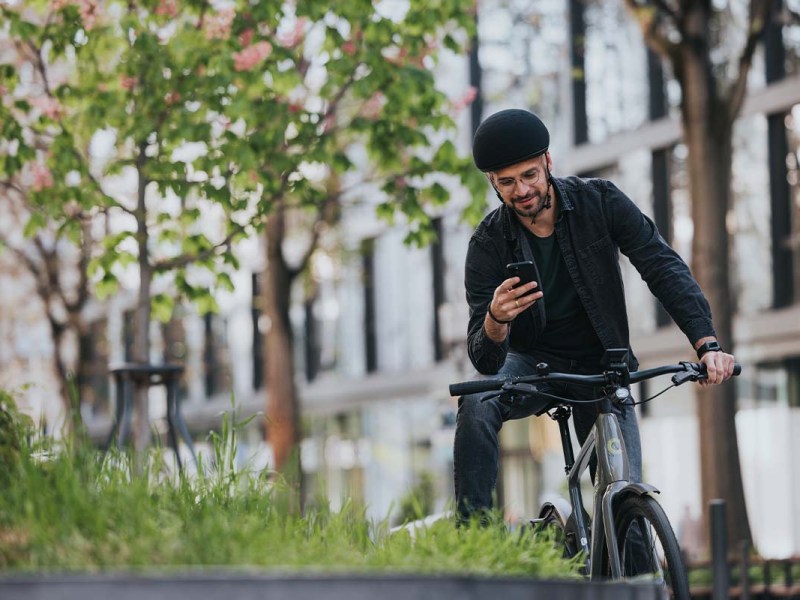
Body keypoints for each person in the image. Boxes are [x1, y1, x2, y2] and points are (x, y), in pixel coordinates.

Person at [454, 108, 737, 522]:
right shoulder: (487, 244)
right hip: (533, 367)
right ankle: (472, 544)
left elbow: (660, 265)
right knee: (476, 400)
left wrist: (706, 343)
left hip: (603, 365)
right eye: (507, 182)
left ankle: (640, 583)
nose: (522, 190)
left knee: (625, 503)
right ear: (492, 183)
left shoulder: (599, 201)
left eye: (530, 175)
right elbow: (485, 361)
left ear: (548, 162)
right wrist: (496, 319)